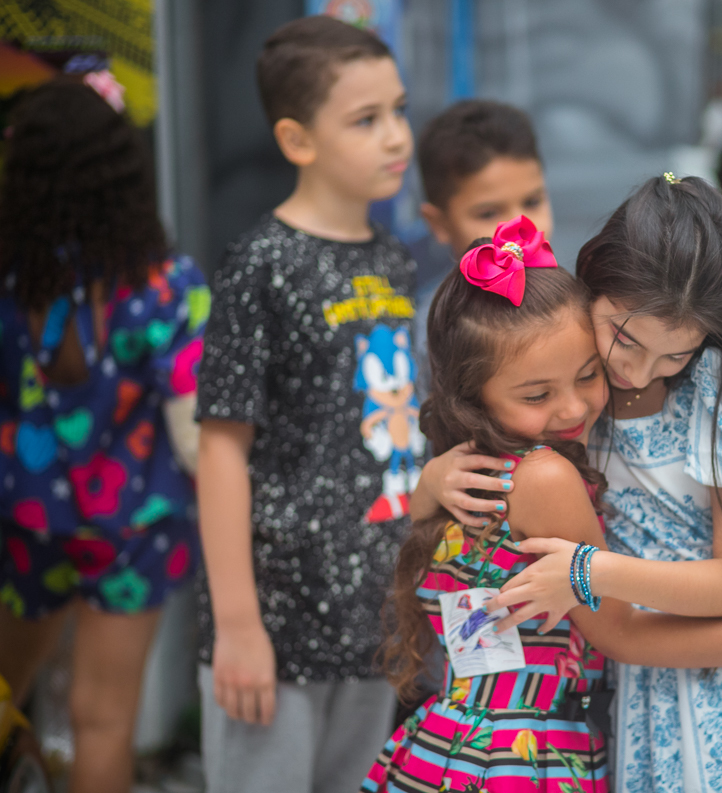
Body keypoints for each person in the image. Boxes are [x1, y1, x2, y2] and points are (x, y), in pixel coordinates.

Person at [420, 178, 722, 792]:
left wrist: (589, 571)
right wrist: (432, 477)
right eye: (624, 338)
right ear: (592, 281)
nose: (633, 369)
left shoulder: (719, 388)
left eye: (673, 356)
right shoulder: (568, 364)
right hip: (652, 664)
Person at [194, 16, 419, 793]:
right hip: (277, 629)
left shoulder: (394, 260)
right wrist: (237, 624)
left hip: (373, 626)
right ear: (297, 141)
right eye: (367, 119)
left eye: (399, 110)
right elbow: (221, 448)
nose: (396, 136)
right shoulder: (260, 263)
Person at [0, 80, 208, 793]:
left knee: (4, 689)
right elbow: (195, 436)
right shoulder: (166, 287)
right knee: (103, 719)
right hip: (133, 531)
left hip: (26, 518)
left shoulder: (12, 281)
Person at [410, 99, 554, 374]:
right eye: (488, 214)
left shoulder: (580, 300)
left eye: (533, 202)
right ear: (438, 223)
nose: (520, 228)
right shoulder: (432, 332)